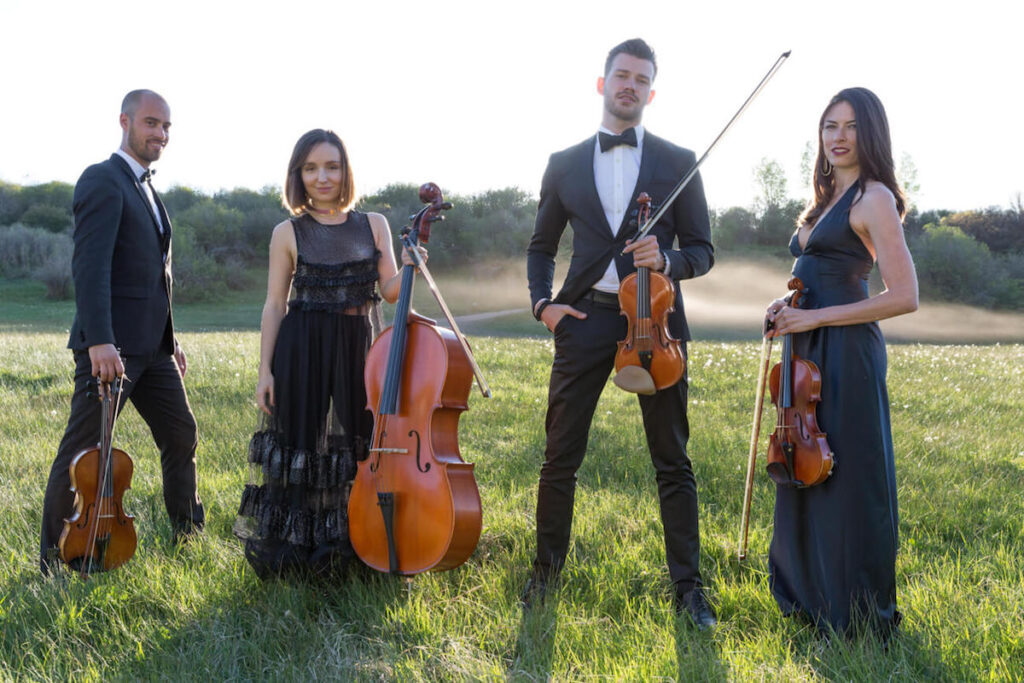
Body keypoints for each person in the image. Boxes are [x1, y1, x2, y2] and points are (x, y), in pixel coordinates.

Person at [524, 38, 716, 628]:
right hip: (584, 318)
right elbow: (540, 246)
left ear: (651, 93)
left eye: (641, 79)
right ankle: (545, 574)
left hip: (654, 320)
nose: (630, 85)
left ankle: (688, 588)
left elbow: (703, 251)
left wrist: (670, 262)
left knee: (672, 459)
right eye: (621, 75)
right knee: (560, 457)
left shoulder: (679, 160)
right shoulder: (562, 162)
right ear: (602, 83)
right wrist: (544, 306)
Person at [764, 87, 918, 638]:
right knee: (806, 463)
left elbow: (905, 296)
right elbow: (817, 276)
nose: (839, 136)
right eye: (830, 126)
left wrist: (815, 320)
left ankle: (855, 608)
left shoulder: (874, 197)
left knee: (849, 471)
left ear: (869, 133)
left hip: (847, 349)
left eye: (851, 126)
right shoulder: (827, 198)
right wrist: (790, 306)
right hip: (807, 344)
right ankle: (809, 593)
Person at [234, 129, 420, 579]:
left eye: (332, 167)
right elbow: (275, 304)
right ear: (299, 174)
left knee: (359, 440)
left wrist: (414, 262)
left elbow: (392, 291)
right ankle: (298, 553)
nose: (322, 177)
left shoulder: (372, 224)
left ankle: (359, 542)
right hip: (301, 347)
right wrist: (265, 371)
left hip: (359, 345)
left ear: (345, 171)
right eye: (312, 168)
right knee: (302, 439)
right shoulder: (288, 232)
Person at [40, 89, 205, 575]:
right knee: (81, 454)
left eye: (167, 127)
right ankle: (54, 560)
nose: (161, 134)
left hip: (154, 352)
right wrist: (99, 340)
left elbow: (153, 275)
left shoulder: (148, 189)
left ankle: (188, 535)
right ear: (125, 121)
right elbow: (90, 268)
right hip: (110, 350)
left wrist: (169, 339)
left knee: (182, 434)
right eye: (152, 123)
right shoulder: (102, 179)